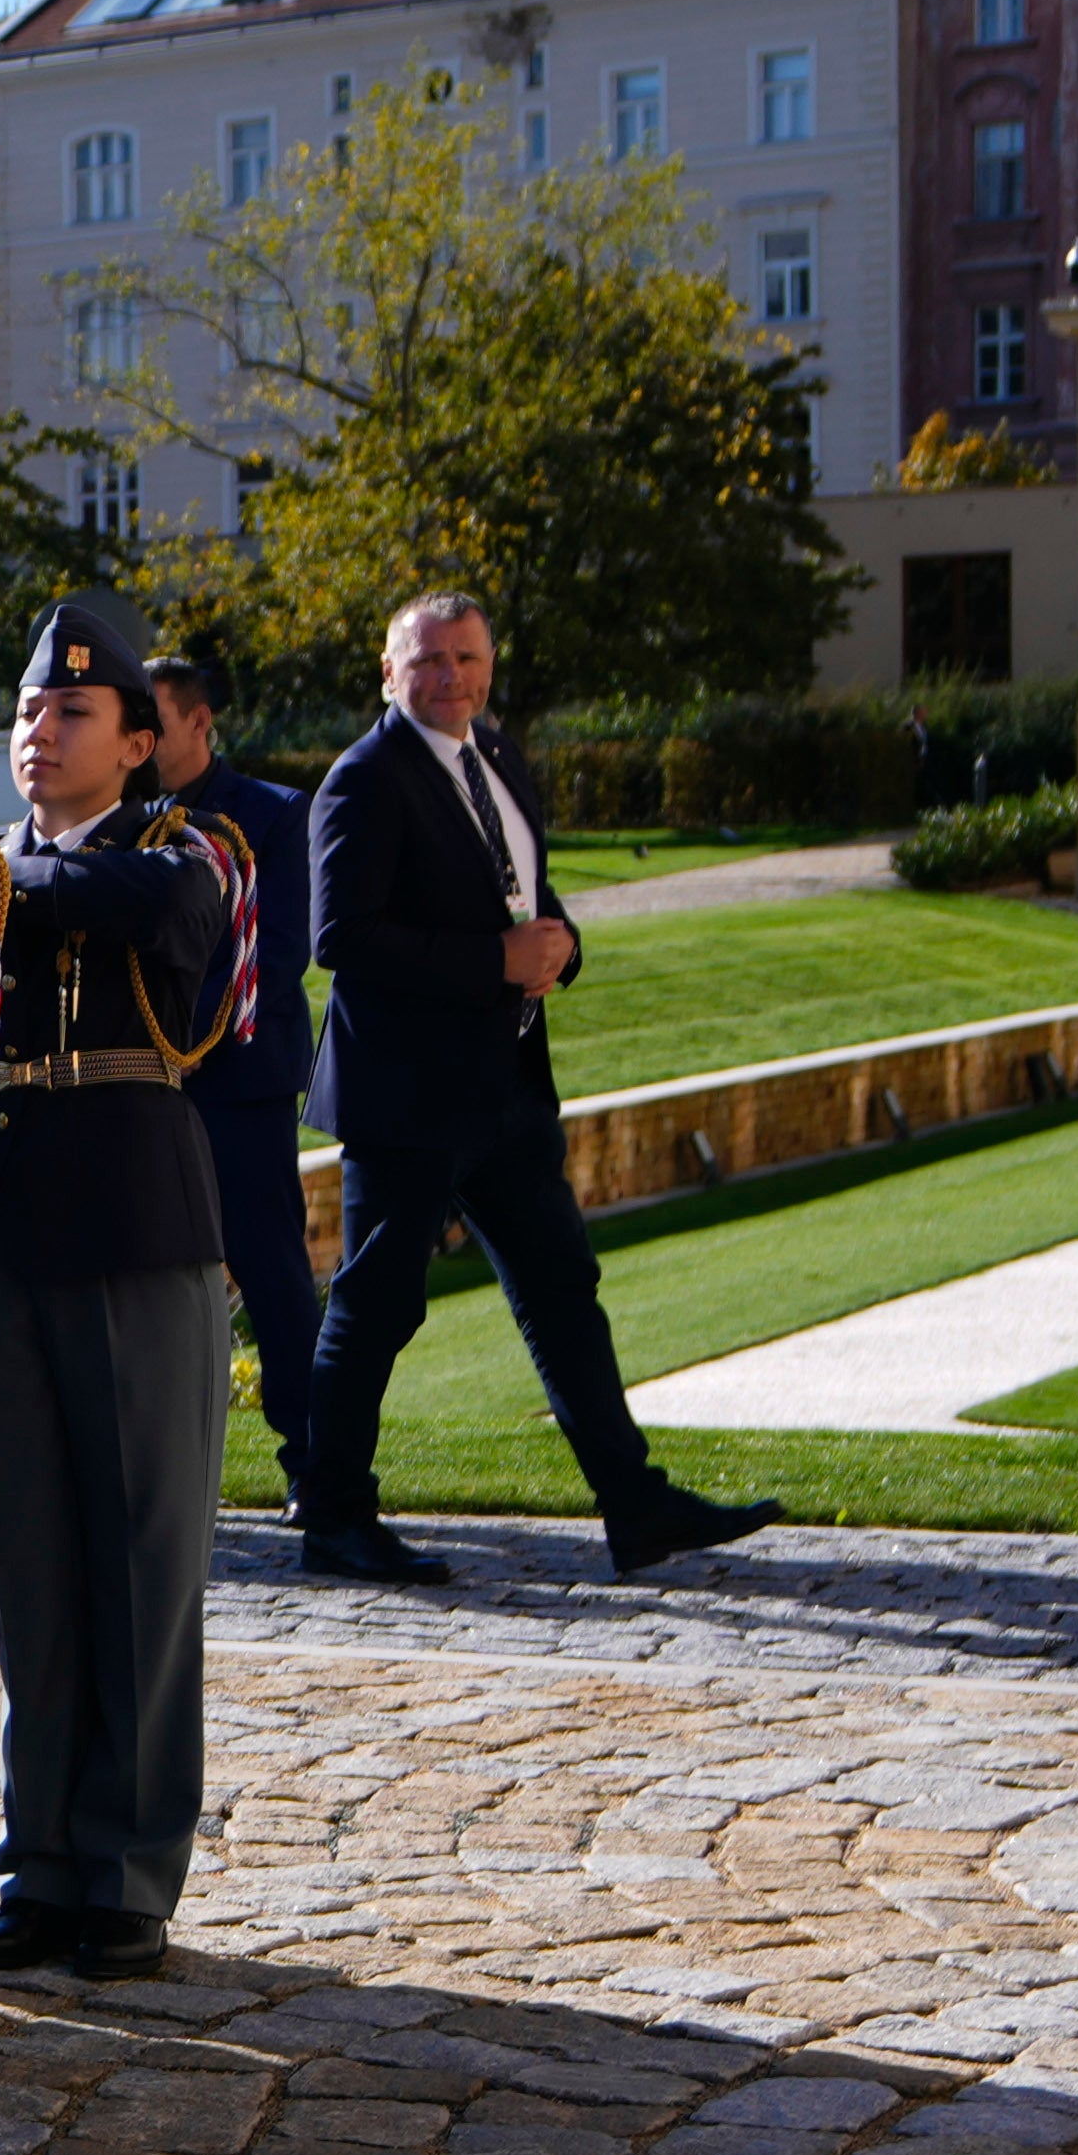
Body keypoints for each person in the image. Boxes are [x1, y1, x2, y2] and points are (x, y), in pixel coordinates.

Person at [289, 592, 774, 1591]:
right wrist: (495, 962)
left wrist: (561, 948)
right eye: (429, 660)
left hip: (506, 1088)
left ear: (489, 664)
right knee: (377, 1308)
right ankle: (332, 1518)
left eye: (467, 658)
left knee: (562, 1293)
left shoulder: (499, 757)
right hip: (408, 1099)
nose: (451, 677)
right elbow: (341, 939)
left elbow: (526, 897)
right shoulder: (363, 780)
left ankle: (635, 1505)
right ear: (389, 672)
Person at [0, 601, 251, 1980]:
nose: (40, 729)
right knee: (30, 1571)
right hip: (2, 1236)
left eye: (73, 711)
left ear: (138, 743)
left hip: (132, 1229)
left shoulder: (183, 850)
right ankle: (41, 1863)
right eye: (26, 709)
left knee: (139, 1563)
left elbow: (161, 913)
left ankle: (125, 1869)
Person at [141, 654, 322, 1481]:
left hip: (238, 1081)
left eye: (152, 723)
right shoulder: (122, 819)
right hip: (138, 1086)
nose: (137, 740)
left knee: (269, 1271)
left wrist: (169, 1035)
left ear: (198, 721)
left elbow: (276, 953)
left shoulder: (272, 815)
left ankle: (313, 1465)